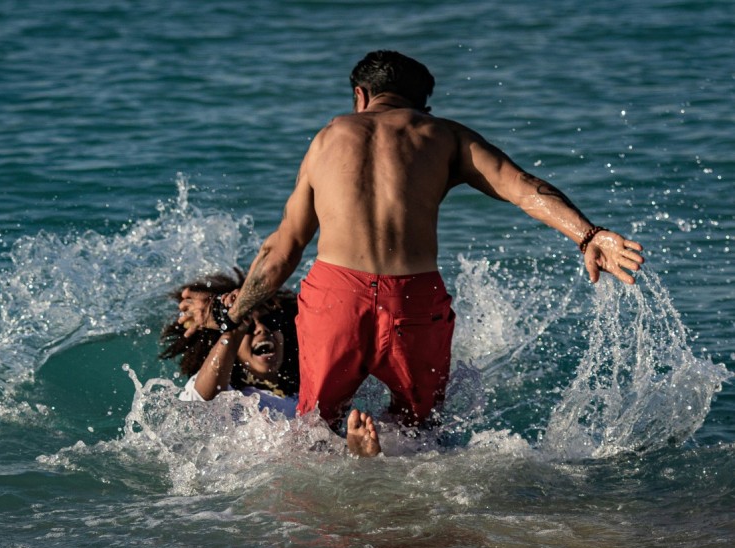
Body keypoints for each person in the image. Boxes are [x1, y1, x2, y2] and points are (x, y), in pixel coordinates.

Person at [218, 49, 645, 455]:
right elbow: (525, 190)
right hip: (413, 301)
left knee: (314, 427)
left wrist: (233, 315)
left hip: (336, 295)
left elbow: (284, 249)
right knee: (420, 431)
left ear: (360, 96)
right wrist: (588, 235)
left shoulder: (328, 139)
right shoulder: (444, 135)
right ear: (423, 104)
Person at [159, 270, 381, 456]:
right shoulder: (230, 397)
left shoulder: (308, 395)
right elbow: (200, 403)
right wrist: (233, 326)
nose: (262, 329)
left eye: (270, 321)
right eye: (249, 326)